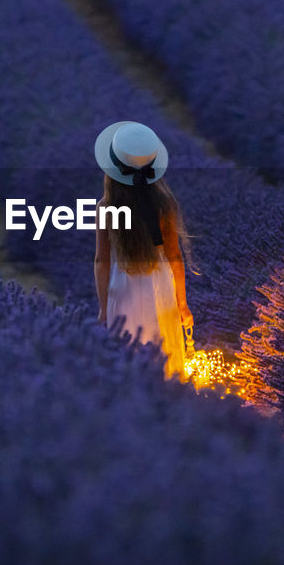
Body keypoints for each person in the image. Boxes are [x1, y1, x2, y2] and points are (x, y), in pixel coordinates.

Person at [93, 121, 194, 381]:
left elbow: (101, 260)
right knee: (166, 358)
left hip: (122, 288)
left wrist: (104, 309)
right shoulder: (164, 204)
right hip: (159, 287)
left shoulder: (106, 207)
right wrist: (183, 305)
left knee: (128, 360)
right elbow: (174, 257)